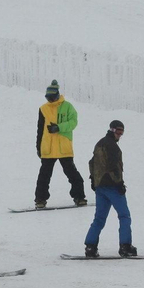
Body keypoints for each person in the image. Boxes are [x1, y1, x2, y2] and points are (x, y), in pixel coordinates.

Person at [84, 120, 135, 257]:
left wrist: (94, 180)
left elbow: (92, 163)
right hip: (112, 187)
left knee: (99, 219)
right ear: (112, 130)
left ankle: (90, 247)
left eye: (122, 132)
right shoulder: (112, 146)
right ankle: (125, 246)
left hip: (100, 187)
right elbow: (113, 167)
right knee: (124, 216)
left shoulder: (100, 143)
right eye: (118, 131)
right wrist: (119, 184)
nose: (120, 134)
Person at [34, 79, 86, 209]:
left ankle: (79, 197)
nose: (50, 100)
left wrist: (59, 128)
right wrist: (38, 147)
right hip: (48, 148)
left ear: (57, 95)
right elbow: (40, 130)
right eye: (48, 98)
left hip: (64, 147)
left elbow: (73, 122)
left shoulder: (68, 107)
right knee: (44, 176)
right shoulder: (43, 109)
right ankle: (40, 199)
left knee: (72, 174)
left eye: (51, 98)